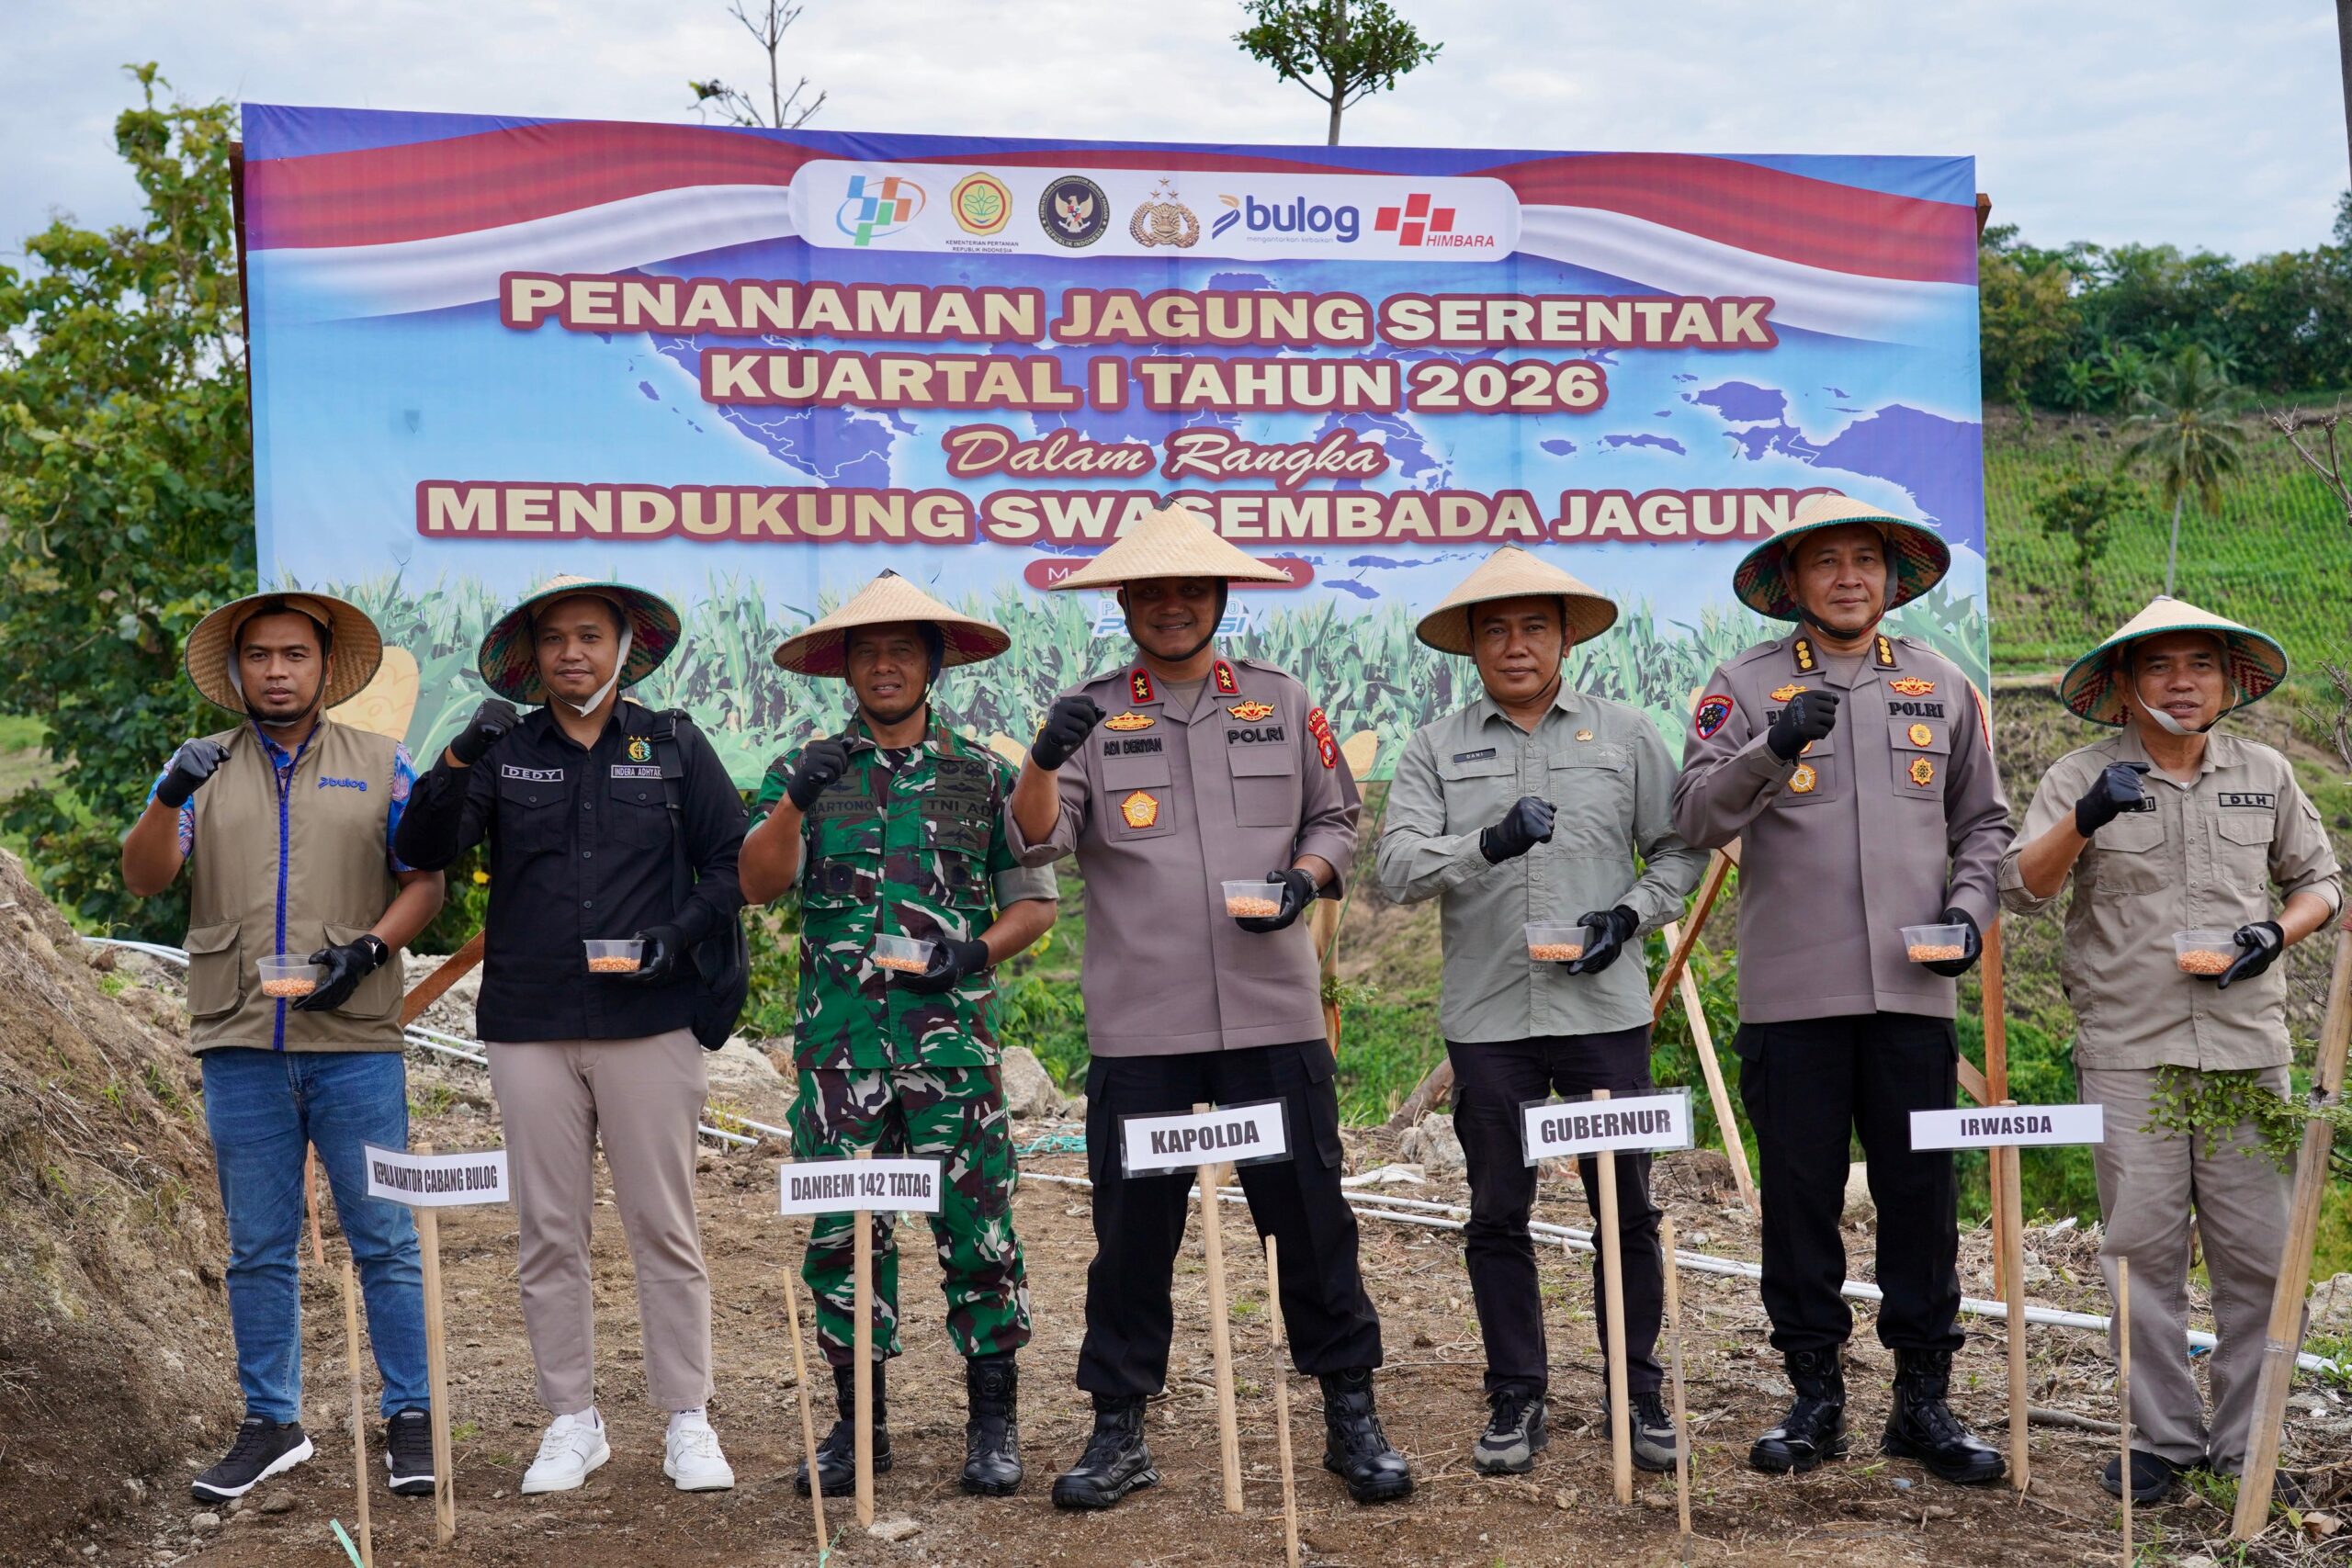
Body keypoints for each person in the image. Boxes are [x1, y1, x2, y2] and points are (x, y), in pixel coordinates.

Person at [1006, 502, 1412, 1511]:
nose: (1172, 607)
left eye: (1191, 591)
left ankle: (1350, 1419)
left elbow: (1335, 816)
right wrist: (1042, 761)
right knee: (1132, 1233)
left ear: (1220, 601)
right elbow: (1035, 845)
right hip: (1144, 1026)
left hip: (1272, 1016)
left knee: (1311, 1222)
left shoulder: (1278, 699)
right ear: (1126, 605)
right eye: (1151, 592)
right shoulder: (1088, 713)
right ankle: (1118, 1431)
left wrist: (1305, 881)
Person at [1672, 492, 2013, 1485]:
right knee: (1799, 1200)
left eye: (1865, 560)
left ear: (1891, 577)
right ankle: (1814, 1396)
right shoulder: (1741, 685)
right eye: (1826, 563)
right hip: (1792, 998)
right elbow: (1695, 817)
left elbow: (1983, 827)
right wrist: (1771, 747)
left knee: (1920, 1199)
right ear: (1794, 584)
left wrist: (1966, 915)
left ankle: (1922, 1402)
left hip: (1915, 997)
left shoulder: (1942, 685)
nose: (1849, 577)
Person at [394, 574, 747, 1496]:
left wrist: (679, 936)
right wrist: (460, 758)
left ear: (623, 648)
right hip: (527, 1022)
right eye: (553, 639)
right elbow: (427, 849)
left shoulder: (671, 745)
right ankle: (571, 1421)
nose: (570, 653)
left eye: (589, 636)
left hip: (649, 1020)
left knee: (662, 1225)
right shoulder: (504, 753)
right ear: (534, 657)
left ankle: (686, 1419)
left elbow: (729, 864)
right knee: (548, 1230)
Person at [1999, 597, 2340, 1503]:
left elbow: (2320, 882)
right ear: (2124, 686)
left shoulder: (2263, 772)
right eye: (2159, 667)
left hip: (2243, 1051)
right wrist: (2082, 820)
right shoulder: (2081, 774)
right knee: (2138, 1254)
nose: (2181, 684)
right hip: (2128, 1052)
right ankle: (2162, 1439)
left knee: (2259, 1259)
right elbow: (2021, 890)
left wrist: (2272, 936)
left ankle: (2243, 1445)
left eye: (2199, 666)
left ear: (2228, 682)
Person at [1376, 546, 1707, 1476]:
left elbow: (1679, 853)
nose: (1514, 644)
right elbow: (1395, 870)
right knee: (1495, 1212)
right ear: (1470, 646)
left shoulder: (1625, 733)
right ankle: (1515, 1394)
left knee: (1625, 1210)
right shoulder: (1435, 746)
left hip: (1603, 1010)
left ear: (1565, 638)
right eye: (1494, 628)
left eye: (1533, 626)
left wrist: (1628, 915)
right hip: (1487, 1021)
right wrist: (1486, 842)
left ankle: (1635, 1390)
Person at [121, 591, 446, 1503]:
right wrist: (166, 797)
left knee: (382, 1238)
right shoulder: (197, 768)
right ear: (237, 672)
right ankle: (271, 1423)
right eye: (259, 656)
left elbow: (427, 882)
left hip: (356, 1041)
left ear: (322, 667)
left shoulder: (383, 764)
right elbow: (147, 876)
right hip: (239, 1042)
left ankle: (410, 1416)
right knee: (258, 1247)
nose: (275, 670)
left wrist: (372, 948)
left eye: (293, 655)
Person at [741, 570, 1057, 1498]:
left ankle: (992, 1424)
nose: (884, 665)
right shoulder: (806, 769)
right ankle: (858, 1430)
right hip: (838, 1056)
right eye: (867, 652)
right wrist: (796, 801)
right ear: (844, 668)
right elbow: (755, 884)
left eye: (902, 650)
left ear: (931, 664)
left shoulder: (980, 776)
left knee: (978, 1235)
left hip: (950, 1051)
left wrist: (972, 955)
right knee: (842, 1239)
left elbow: (1034, 903)